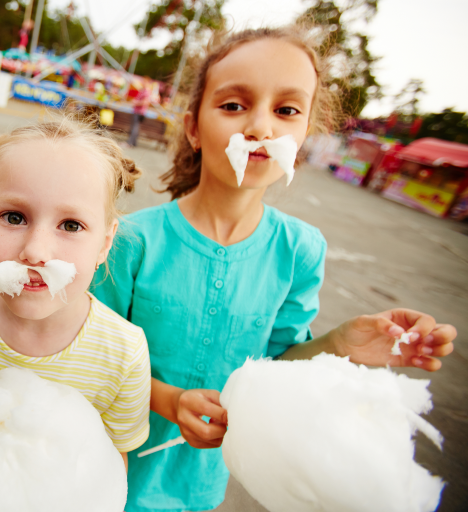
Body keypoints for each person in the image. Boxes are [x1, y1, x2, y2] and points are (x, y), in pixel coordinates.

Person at [90, 26, 457, 512]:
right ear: (194, 128)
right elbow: (93, 356)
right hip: (104, 470)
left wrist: (338, 344)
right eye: (234, 105)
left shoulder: (301, 250)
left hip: (199, 489)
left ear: (305, 133)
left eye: (286, 110)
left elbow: (278, 368)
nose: (261, 127)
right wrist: (169, 401)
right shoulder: (131, 239)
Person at [0, 117, 151, 474]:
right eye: (14, 217)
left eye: (70, 225)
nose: (35, 251)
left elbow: (112, 460)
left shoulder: (123, 353)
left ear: (105, 242)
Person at [127, 82, 150, 147]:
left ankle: (131, 143)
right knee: (135, 127)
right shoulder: (143, 91)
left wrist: (136, 102)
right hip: (137, 111)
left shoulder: (146, 92)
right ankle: (133, 143)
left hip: (139, 112)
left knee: (135, 128)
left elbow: (145, 102)